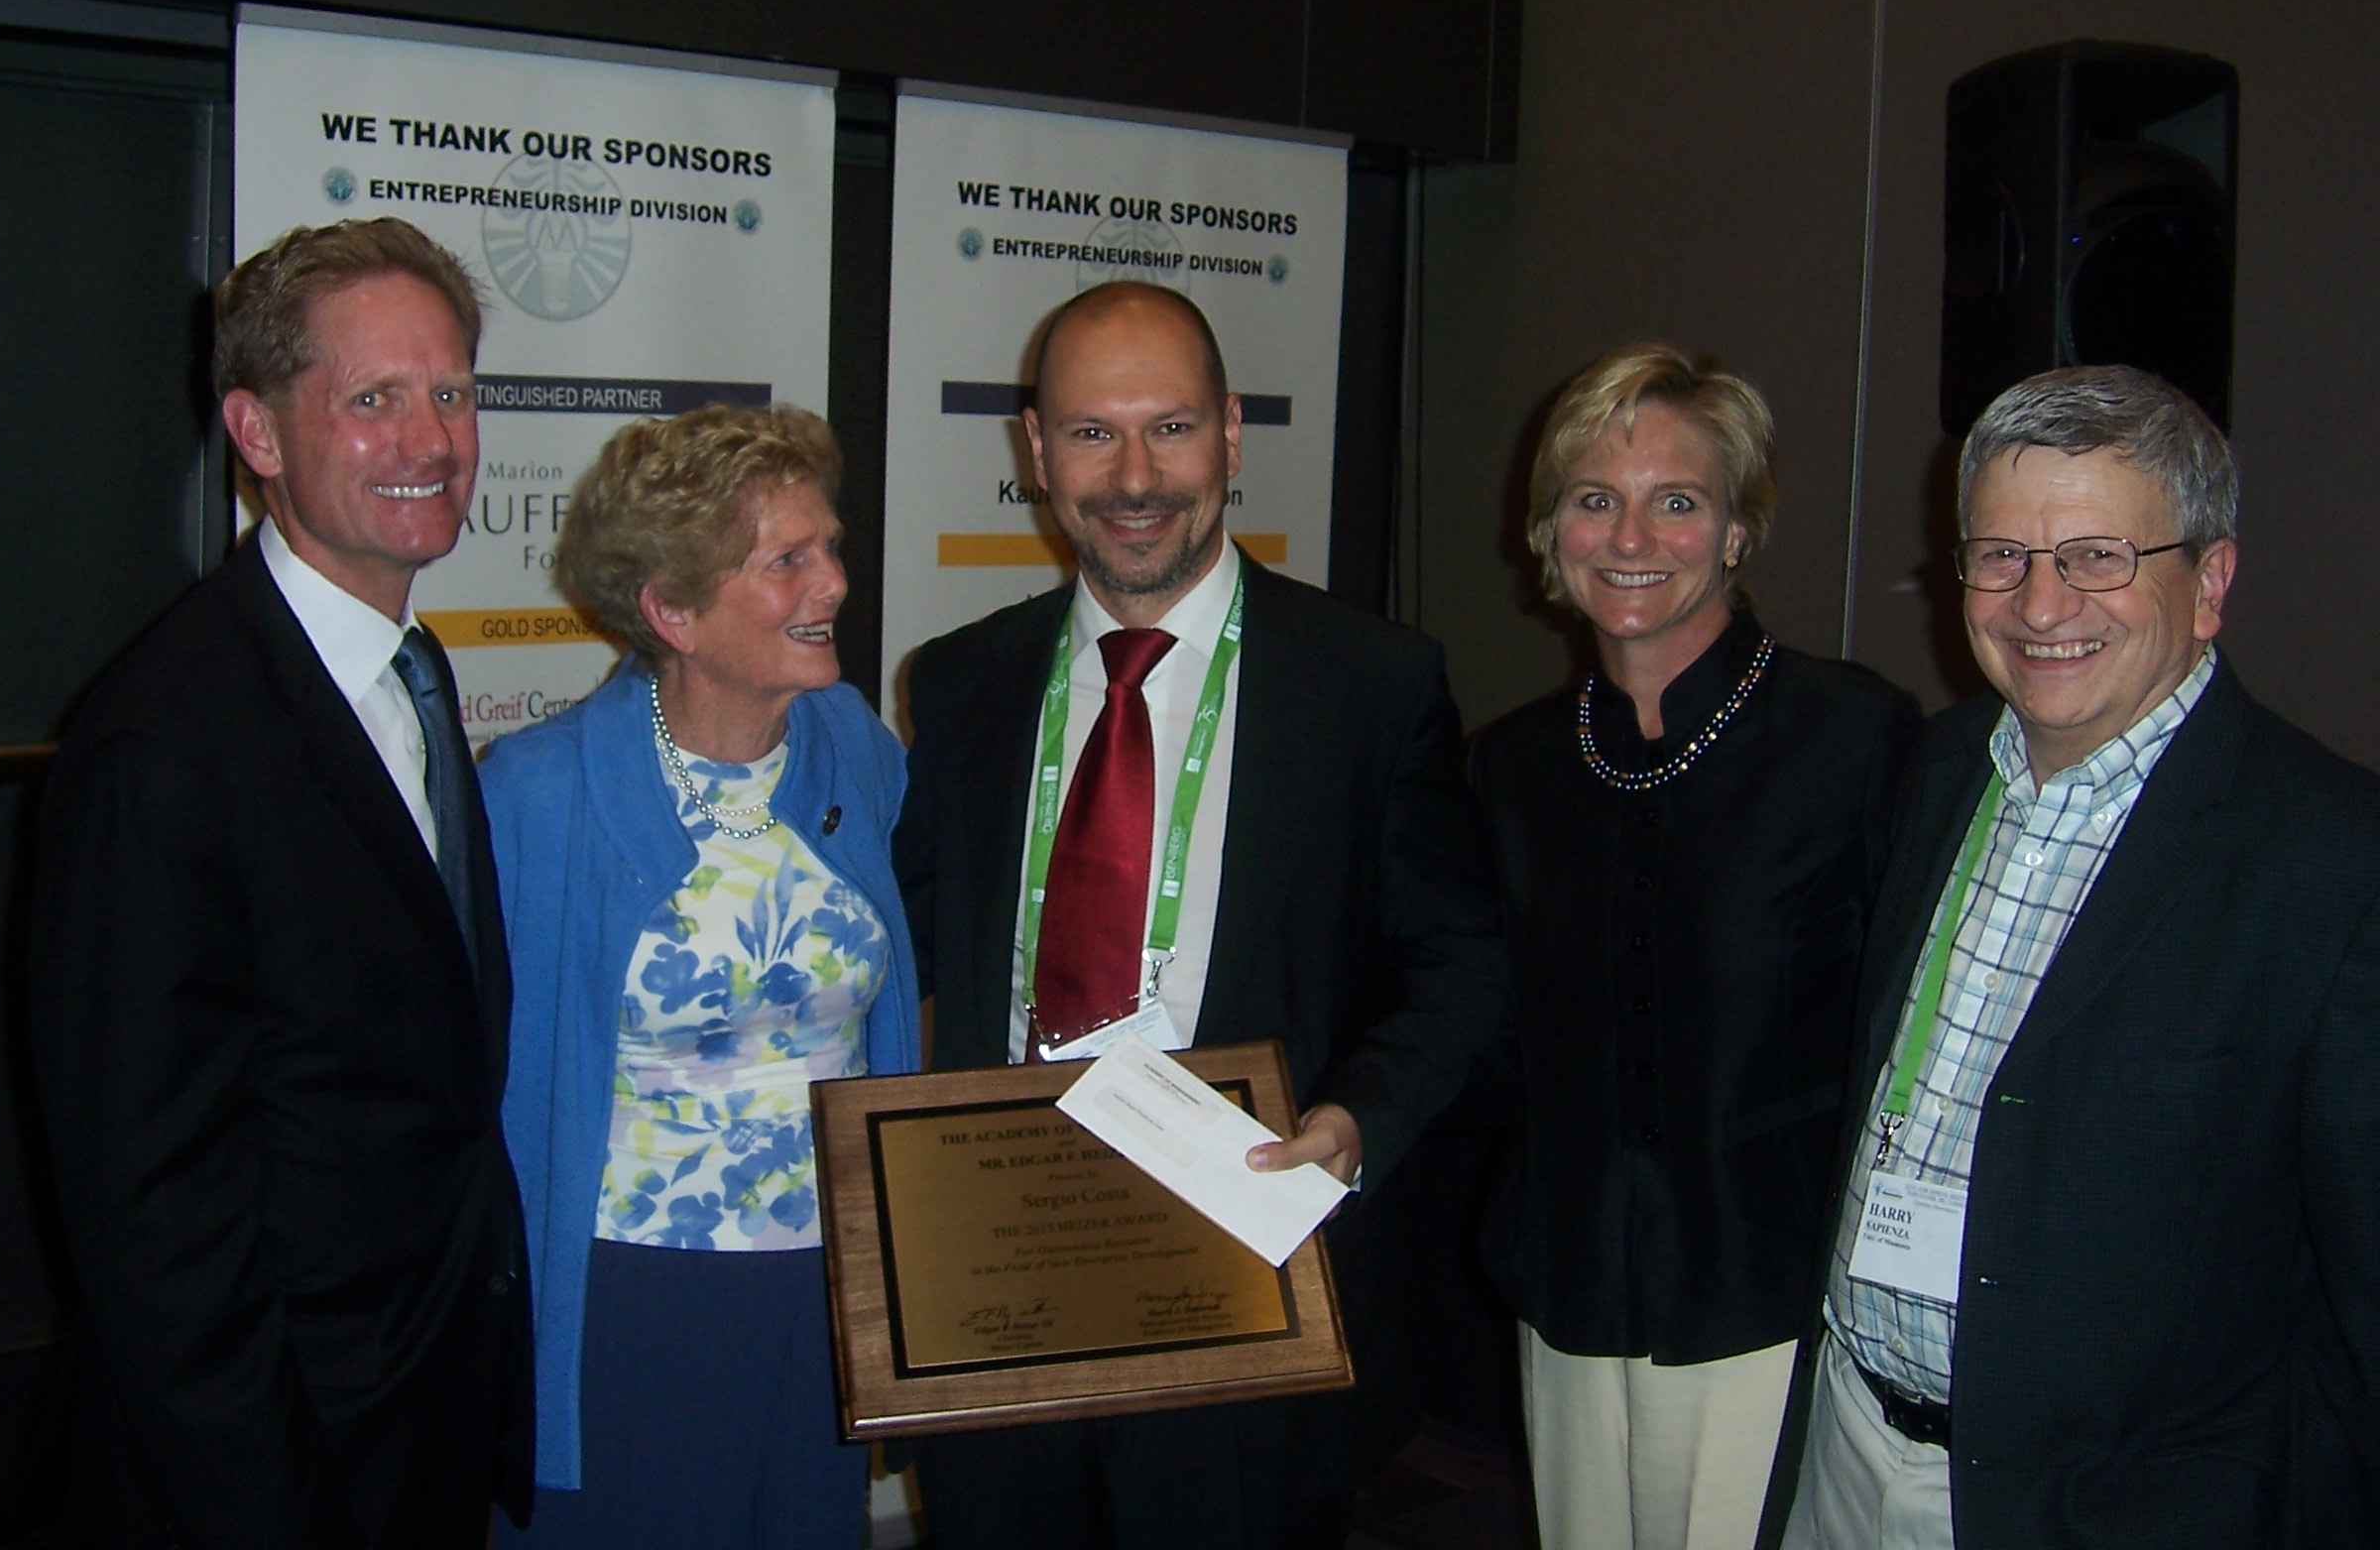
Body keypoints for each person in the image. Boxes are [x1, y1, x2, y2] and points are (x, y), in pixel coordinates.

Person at [893, 280, 1507, 1550]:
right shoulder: (960, 685)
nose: (1132, 476)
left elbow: (1457, 957)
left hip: (1239, 1277)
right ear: (1034, 448)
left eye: (1170, 429)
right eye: (1089, 433)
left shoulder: (1370, 683)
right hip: (1004, 1278)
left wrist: (1357, 1117)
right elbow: (898, 935)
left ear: (1231, 432)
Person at [1760, 365, 2380, 1549]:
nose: (2040, 606)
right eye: (1999, 556)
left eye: (2099, 556)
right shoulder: (1934, 771)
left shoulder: (2333, 865)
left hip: (2111, 1508)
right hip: (1844, 1444)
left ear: (2209, 582)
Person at [28, 218, 533, 1548]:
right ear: (255, 434)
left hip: (412, 1414)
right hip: (275, 1467)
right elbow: (151, 1212)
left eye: (452, 393)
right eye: (372, 400)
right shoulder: (168, 740)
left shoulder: (402, 677)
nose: (431, 440)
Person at [1470, 345, 1919, 1550]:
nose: (1632, 533)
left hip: (1762, 1298)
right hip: (1566, 1286)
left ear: (1734, 531)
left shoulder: (1852, 738)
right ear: (1547, 529)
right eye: (1592, 498)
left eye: (1678, 499)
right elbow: (1480, 1030)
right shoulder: (1508, 768)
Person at [481, 405, 919, 1549]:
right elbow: (490, 1092)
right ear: (670, 610)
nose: (832, 583)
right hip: (632, 1294)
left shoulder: (855, 750)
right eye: (787, 562)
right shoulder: (537, 793)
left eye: (829, 547)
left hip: (823, 1288)